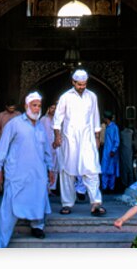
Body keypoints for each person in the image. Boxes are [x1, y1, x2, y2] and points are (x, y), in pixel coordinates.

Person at [0, 92, 55, 248]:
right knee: (9, 207)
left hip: (38, 174)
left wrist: (51, 169)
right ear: (27, 106)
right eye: (34, 105)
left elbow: (46, 149)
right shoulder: (15, 124)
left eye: (39, 105)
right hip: (17, 173)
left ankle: (37, 227)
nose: (37, 108)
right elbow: (3, 146)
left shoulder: (40, 126)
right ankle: (0, 243)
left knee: (38, 199)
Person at [53, 69, 105, 216]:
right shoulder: (65, 97)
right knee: (67, 170)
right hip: (69, 139)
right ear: (73, 82)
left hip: (87, 138)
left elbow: (95, 117)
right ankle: (67, 204)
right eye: (80, 84)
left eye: (84, 84)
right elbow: (58, 119)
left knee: (92, 169)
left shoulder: (92, 96)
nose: (82, 86)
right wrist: (57, 136)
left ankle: (96, 203)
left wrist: (97, 137)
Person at [40, 103, 60, 195]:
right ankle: (44, 187)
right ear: (48, 108)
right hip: (45, 147)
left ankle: (52, 188)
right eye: (52, 108)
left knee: (55, 167)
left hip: (56, 147)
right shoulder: (43, 119)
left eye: (55, 108)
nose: (53, 110)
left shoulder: (58, 120)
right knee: (45, 167)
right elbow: (39, 132)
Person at [100, 110, 120, 192]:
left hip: (112, 152)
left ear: (106, 118)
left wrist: (113, 150)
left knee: (112, 171)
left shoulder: (114, 127)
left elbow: (117, 140)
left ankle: (111, 188)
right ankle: (105, 187)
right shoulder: (106, 127)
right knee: (104, 169)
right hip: (105, 151)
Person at [120, 122, 137, 188]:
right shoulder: (132, 133)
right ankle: (131, 183)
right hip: (131, 153)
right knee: (131, 169)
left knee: (124, 169)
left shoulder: (122, 133)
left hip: (123, 153)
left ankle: (124, 183)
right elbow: (136, 144)